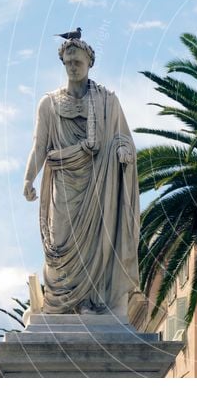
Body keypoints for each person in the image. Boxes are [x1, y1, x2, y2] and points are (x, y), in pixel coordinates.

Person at [23, 37, 139, 317]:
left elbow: (124, 138)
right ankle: (61, 303)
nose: (73, 67)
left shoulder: (107, 101)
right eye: (68, 62)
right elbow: (40, 145)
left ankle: (91, 301)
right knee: (60, 243)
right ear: (62, 63)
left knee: (97, 242)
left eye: (78, 62)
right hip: (63, 183)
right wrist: (28, 179)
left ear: (90, 63)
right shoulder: (49, 104)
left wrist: (122, 150)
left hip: (100, 183)